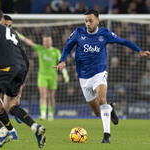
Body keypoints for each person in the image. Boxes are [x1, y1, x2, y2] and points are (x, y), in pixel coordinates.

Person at [53, 9, 150, 143]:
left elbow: (124, 41)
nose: (88, 23)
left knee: (101, 98)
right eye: (86, 21)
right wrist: (62, 60)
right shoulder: (78, 32)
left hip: (99, 72)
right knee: (98, 112)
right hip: (83, 76)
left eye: (90, 20)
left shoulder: (105, 34)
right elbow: (68, 47)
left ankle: (106, 136)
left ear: (97, 20)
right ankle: (110, 108)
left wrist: (139, 51)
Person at [0, 8, 46, 148]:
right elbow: (26, 59)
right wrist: (21, 83)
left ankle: (3, 132)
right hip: (21, 68)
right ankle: (35, 126)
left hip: (5, 68)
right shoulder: (12, 32)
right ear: (2, 20)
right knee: (9, 106)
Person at [17, 33, 69, 120]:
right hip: (42, 76)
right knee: (43, 95)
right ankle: (43, 114)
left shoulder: (56, 51)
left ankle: (51, 114)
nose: (47, 42)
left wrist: (65, 73)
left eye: (48, 40)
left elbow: (61, 63)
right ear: (43, 42)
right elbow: (29, 42)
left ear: (51, 41)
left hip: (52, 76)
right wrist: (19, 35)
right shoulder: (40, 49)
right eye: (45, 41)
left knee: (51, 96)